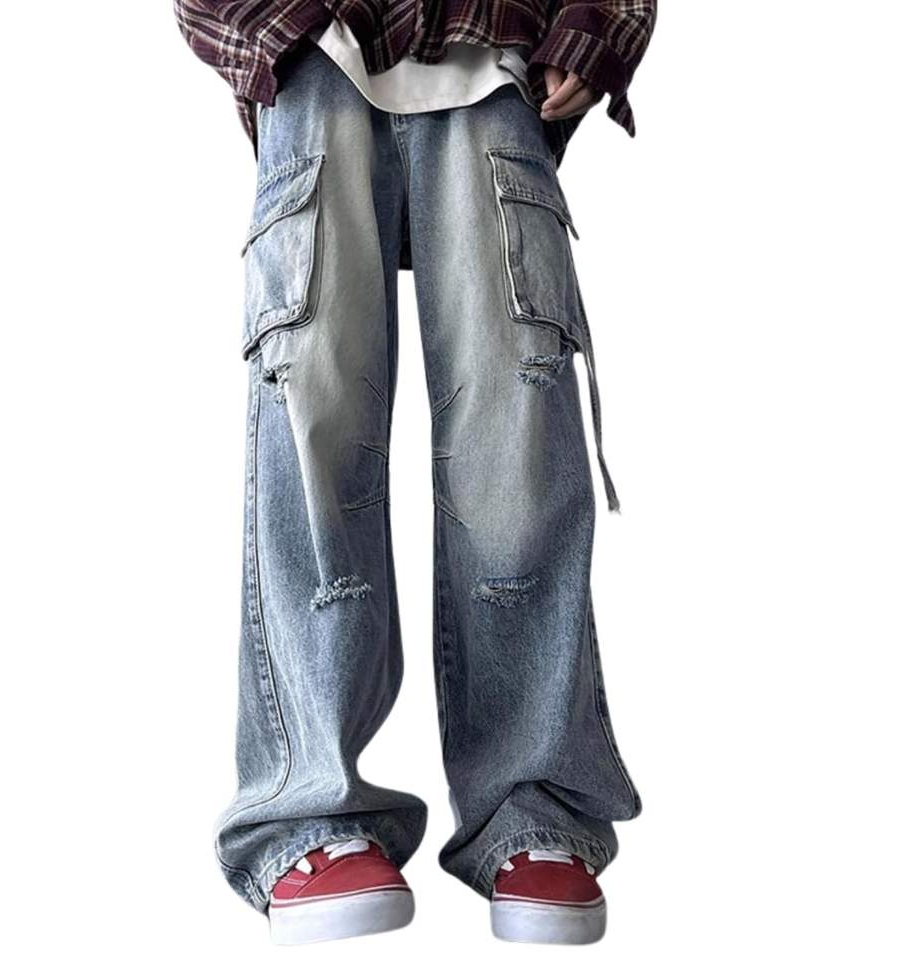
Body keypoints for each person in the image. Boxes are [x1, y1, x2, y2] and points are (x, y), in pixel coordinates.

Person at [174, 0, 656, 946]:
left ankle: (534, 807)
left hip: (497, 63)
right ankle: (308, 811)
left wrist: (598, 27)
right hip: (315, 63)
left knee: (517, 439)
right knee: (313, 422)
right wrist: (273, 31)